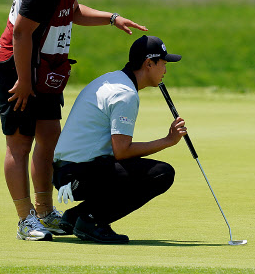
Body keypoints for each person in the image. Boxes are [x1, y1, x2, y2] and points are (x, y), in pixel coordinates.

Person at [0, 0, 147, 241]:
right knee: (20, 144)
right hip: (18, 67)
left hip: (44, 69)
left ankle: (46, 213)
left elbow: (71, 11)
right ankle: (25, 220)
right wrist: (23, 81)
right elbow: (21, 33)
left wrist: (112, 18)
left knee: (49, 136)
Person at [52, 35, 187, 244]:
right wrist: (168, 140)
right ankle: (92, 221)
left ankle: (76, 216)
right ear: (149, 64)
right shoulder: (125, 94)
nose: (165, 71)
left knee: (127, 168)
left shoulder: (115, 80)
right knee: (162, 174)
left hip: (69, 172)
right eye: (163, 63)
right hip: (77, 175)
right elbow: (122, 151)